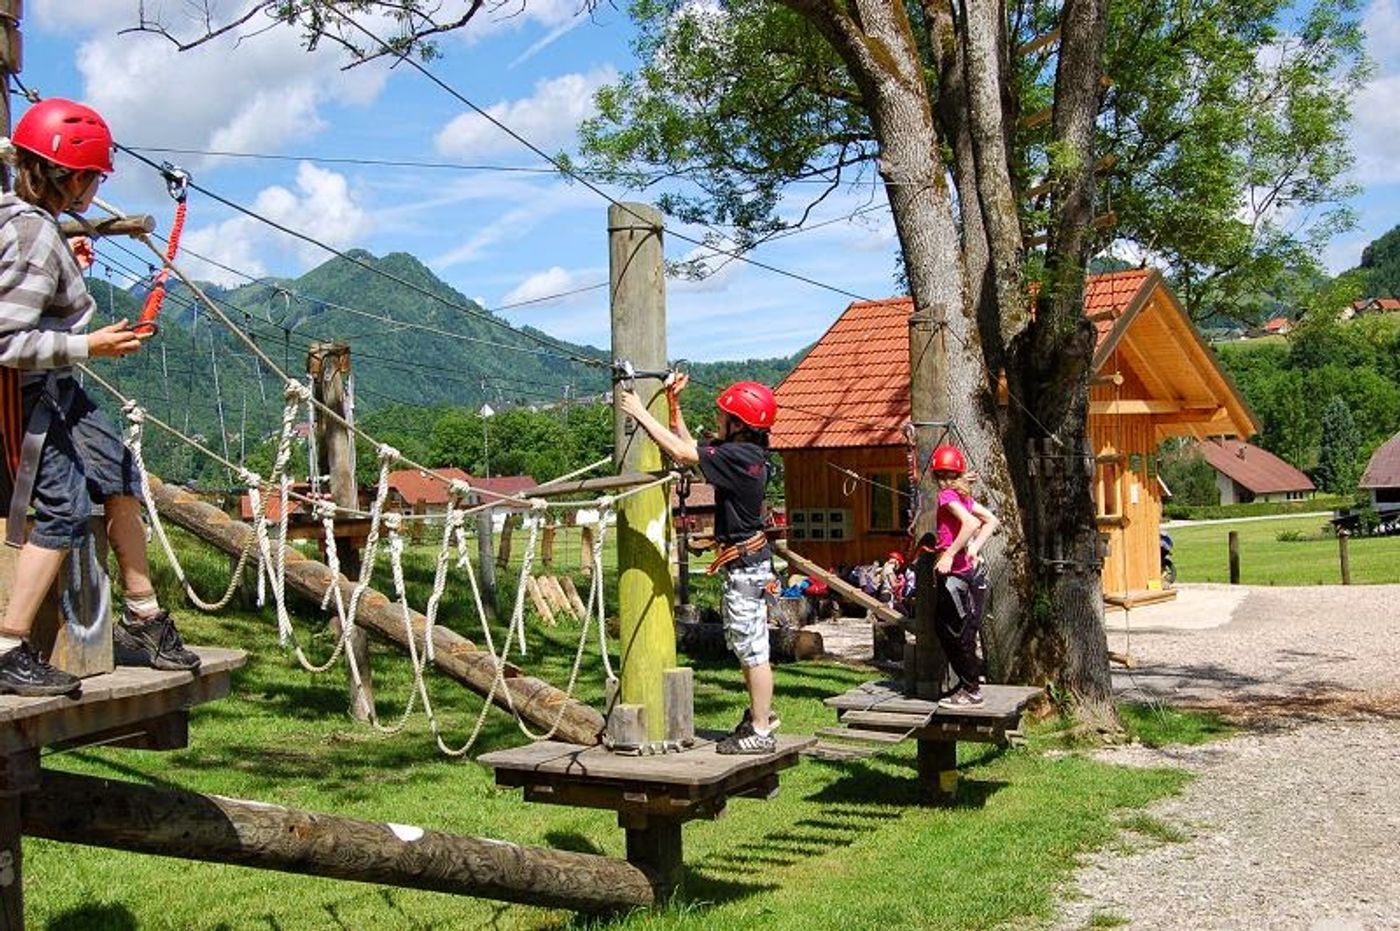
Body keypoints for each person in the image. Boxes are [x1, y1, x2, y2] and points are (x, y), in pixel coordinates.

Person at [0, 98, 200, 697]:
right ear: (75, 177)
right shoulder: (33, 232)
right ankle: (9, 645)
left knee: (115, 469)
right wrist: (91, 345)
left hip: (55, 384)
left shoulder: (25, 218)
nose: (94, 188)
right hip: (25, 390)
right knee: (61, 507)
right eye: (93, 176)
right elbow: (6, 340)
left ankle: (142, 617)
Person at [619, 376, 779, 754]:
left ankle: (761, 728)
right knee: (747, 646)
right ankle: (761, 717)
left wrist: (640, 412)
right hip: (749, 564)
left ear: (738, 424)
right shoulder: (746, 455)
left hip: (746, 567)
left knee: (753, 650)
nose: (718, 420)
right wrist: (674, 405)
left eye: (724, 416)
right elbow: (691, 445)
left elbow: (682, 453)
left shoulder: (738, 458)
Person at [925, 444, 998, 708]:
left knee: (956, 633)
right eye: (941, 476)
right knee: (955, 631)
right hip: (968, 574)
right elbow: (990, 520)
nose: (942, 481)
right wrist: (974, 549)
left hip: (956, 575)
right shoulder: (961, 496)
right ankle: (968, 684)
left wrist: (950, 554)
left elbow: (971, 523)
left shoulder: (947, 496)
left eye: (945, 476)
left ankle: (971, 690)